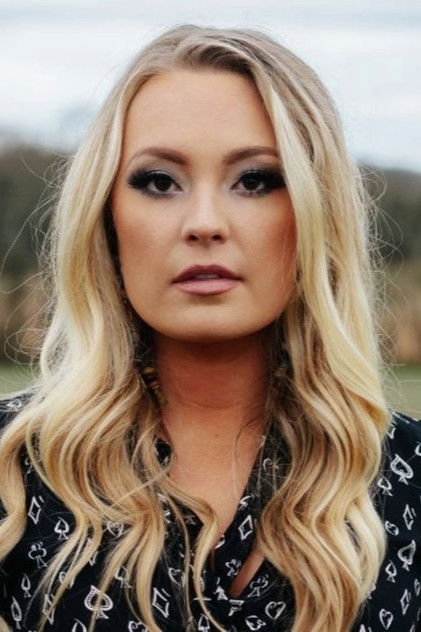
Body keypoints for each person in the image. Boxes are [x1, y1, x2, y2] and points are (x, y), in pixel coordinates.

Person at [0, 23, 420, 632]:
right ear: (107, 220)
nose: (204, 223)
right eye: (159, 182)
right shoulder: (15, 467)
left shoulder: (406, 473)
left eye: (255, 180)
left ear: (316, 213)